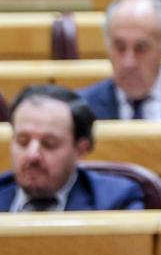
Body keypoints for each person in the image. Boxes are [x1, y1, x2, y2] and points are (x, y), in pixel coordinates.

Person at [0, 85, 144, 212]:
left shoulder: (115, 202)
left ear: (81, 150)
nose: (32, 155)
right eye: (22, 141)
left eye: (49, 143)